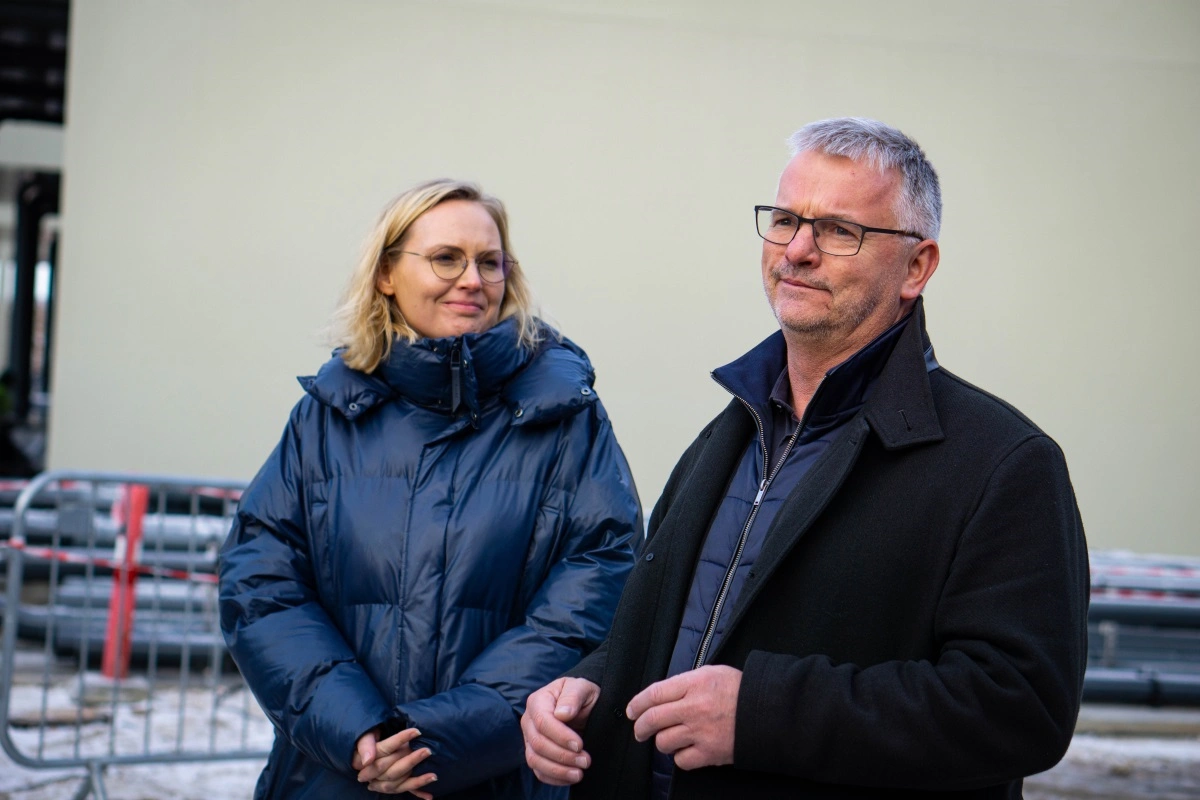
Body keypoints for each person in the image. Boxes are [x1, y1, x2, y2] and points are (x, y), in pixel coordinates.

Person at [521, 118, 1089, 799]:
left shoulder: (1003, 463)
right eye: (785, 219)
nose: (797, 249)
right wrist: (589, 687)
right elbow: (675, 631)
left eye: (839, 230)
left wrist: (765, 715)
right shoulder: (730, 431)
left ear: (917, 266)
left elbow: (1020, 708)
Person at [219, 179, 641, 799]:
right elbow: (261, 582)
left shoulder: (563, 415)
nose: (472, 279)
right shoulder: (327, 415)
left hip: (498, 777)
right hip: (338, 775)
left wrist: (438, 737)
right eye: (446, 257)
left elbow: (601, 578)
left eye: (490, 261)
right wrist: (356, 728)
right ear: (387, 273)